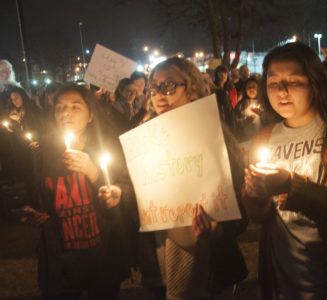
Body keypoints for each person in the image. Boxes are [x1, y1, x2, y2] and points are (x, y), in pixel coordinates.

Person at [242, 42, 327, 300]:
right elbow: (258, 214)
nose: (282, 90)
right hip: (284, 274)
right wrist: (255, 194)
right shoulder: (264, 137)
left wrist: (291, 185)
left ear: (314, 82)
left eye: (293, 80)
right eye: (273, 82)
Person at [140, 57, 247, 300]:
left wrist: (219, 229)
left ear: (192, 90)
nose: (159, 94)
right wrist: (119, 195)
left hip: (211, 263)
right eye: (154, 87)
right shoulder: (144, 142)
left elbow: (241, 205)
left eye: (168, 86)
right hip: (161, 260)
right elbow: (134, 202)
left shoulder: (215, 139)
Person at [19, 84, 136, 299]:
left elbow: (128, 190)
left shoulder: (107, 147)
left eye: (75, 107)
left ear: (91, 115)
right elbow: (39, 195)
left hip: (103, 254)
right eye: (60, 108)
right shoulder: (43, 153)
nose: (65, 113)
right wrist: (37, 213)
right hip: (61, 258)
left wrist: (95, 175)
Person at [233, 76, 264, 142]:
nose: (251, 89)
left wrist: (261, 114)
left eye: (254, 87)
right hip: (244, 139)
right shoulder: (241, 105)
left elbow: (269, 121)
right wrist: (245, 120)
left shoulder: (263, 104)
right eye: (249, 87)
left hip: (261, 139)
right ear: (245, 90)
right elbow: (234, 122)